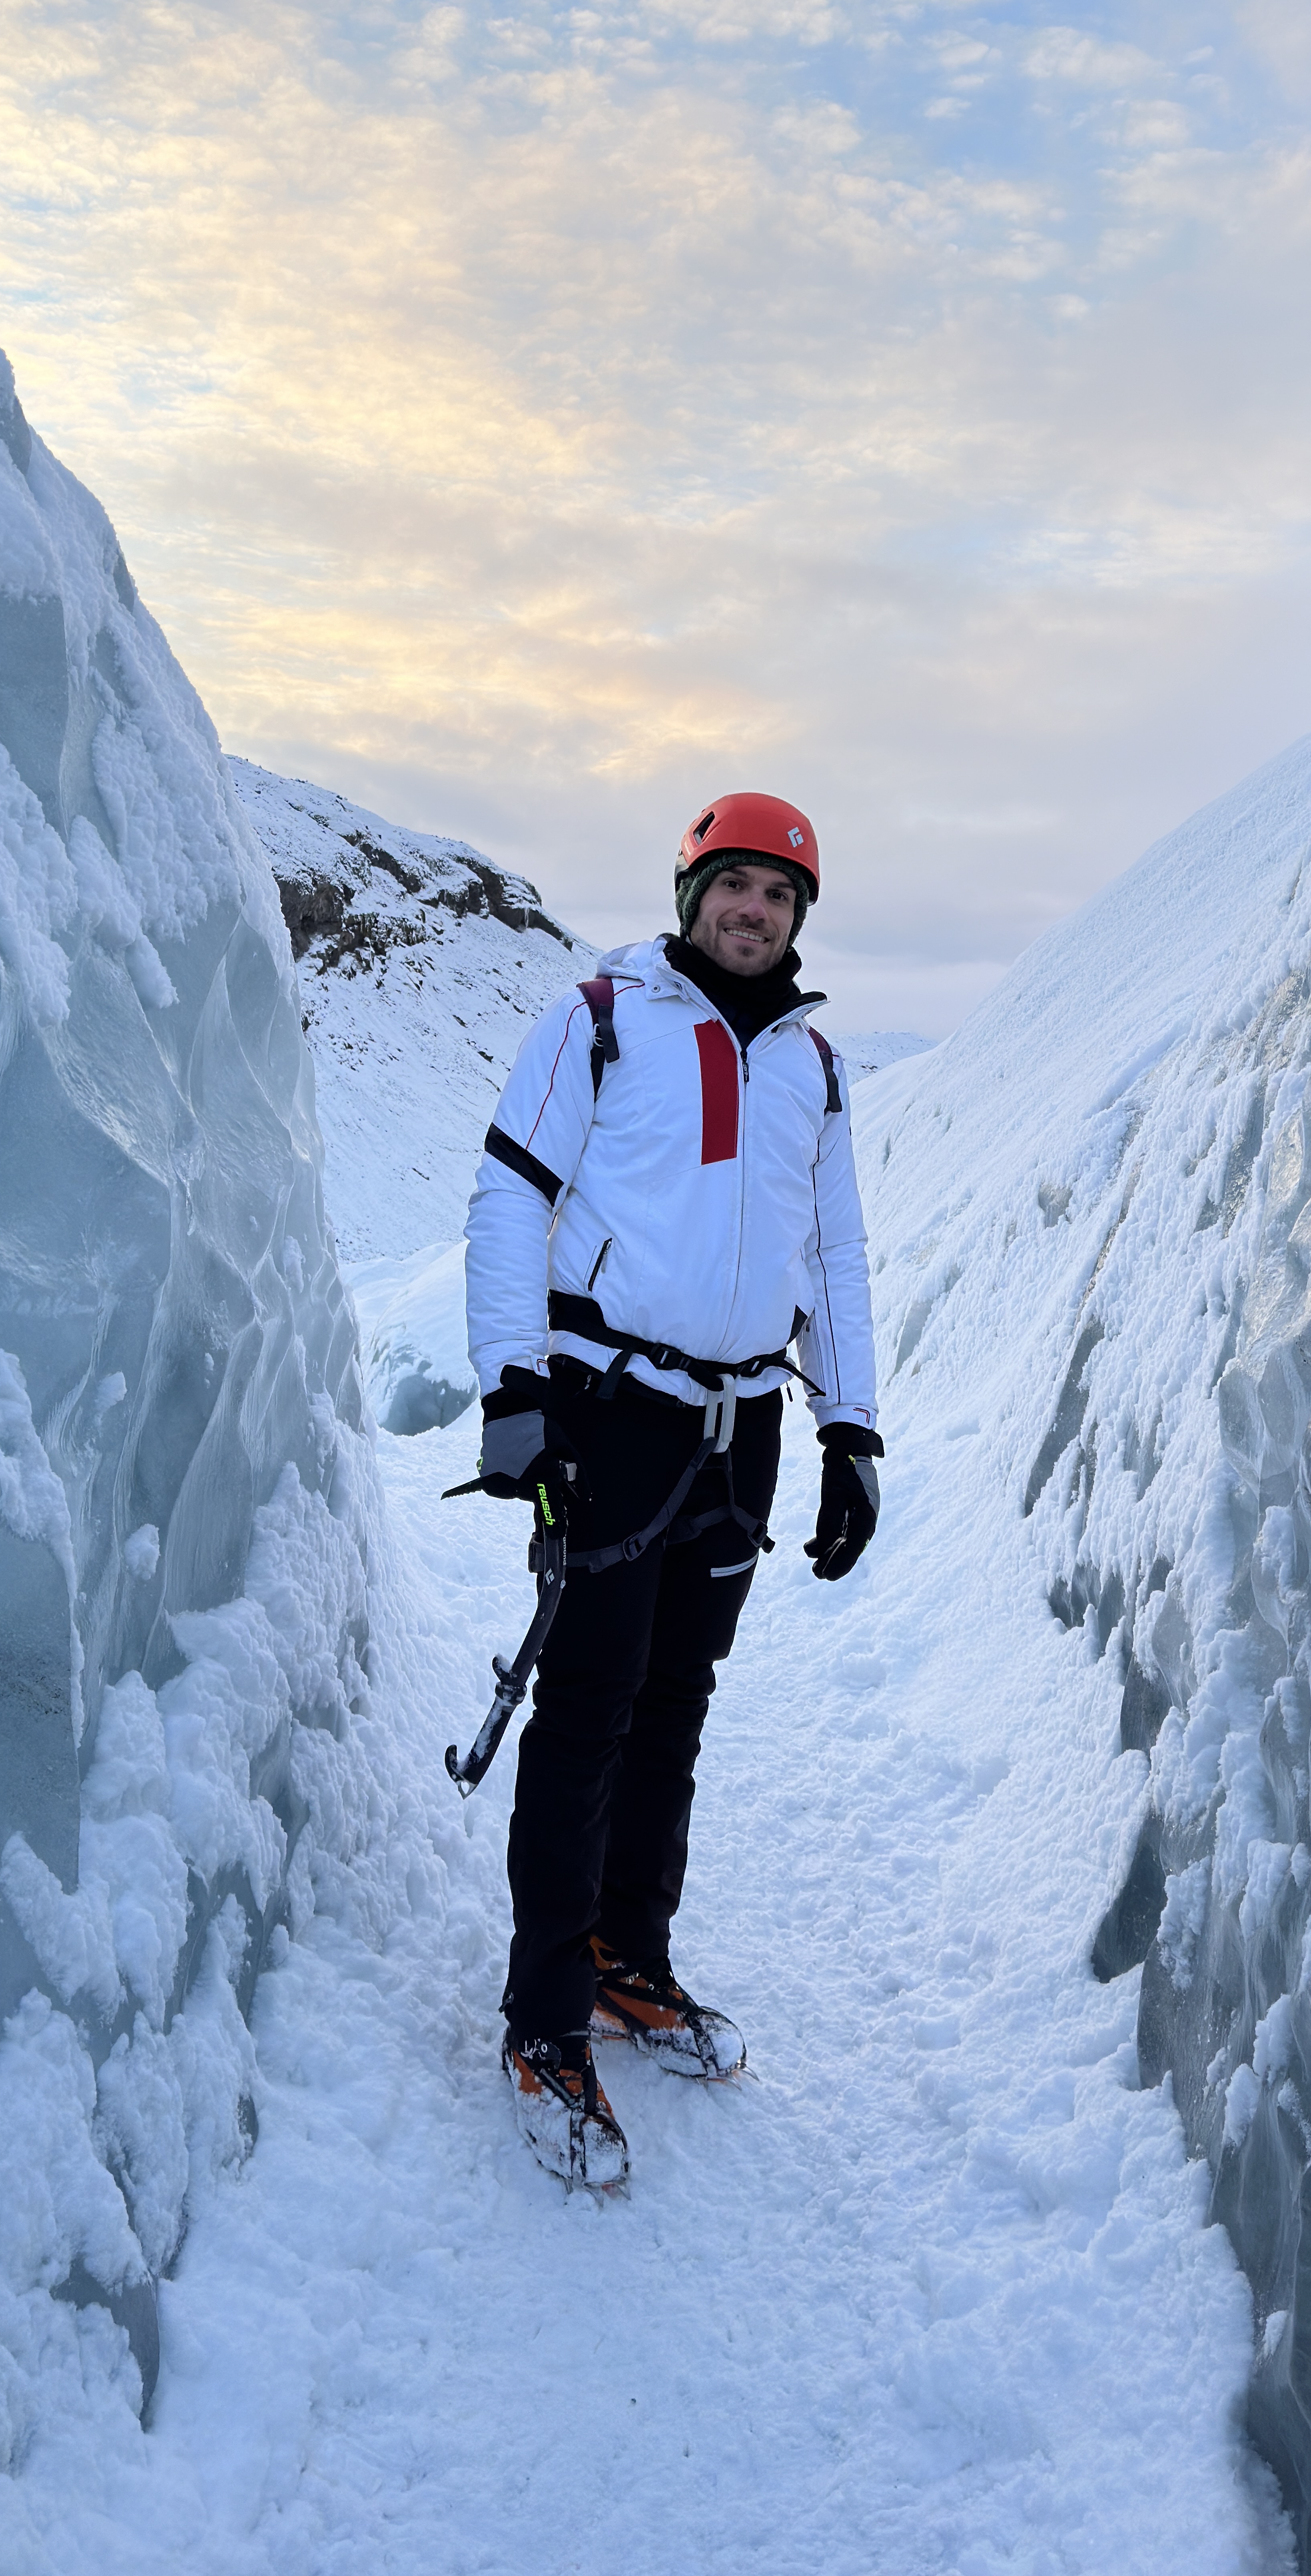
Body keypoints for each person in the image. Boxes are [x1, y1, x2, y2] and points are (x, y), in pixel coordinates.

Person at [462, 791, 882, 2188]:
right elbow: (511, 1196)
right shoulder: (600, 1019)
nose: (753, 908)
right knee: (587, 1704)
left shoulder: (813, 1067)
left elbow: (833, 1256)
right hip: (609, 1409)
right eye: (733, 884)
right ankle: (543, 2016)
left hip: (738, 1424)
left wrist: (848, 1429)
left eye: (779, 891)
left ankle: (625, 1954)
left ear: (798, 916)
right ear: (690, 891)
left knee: (675, 1699)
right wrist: (514, 1390)